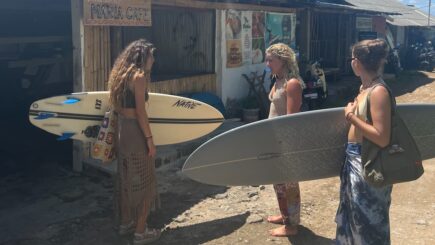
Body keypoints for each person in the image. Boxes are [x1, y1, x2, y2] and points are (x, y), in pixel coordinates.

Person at [335, 38, 393, 245]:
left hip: (368, 161)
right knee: (355, 219)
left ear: (357, 62)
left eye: (352, 58)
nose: (351, 62)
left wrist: (351, 117)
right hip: (355, 157)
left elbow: (382, 136)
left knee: (369, 223)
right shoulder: (366, 88)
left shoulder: (378, 92)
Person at [108, 39, 160, 245]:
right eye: (151, 56)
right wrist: (150, 140)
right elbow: (141, 112)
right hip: (135, 133)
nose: (153, 60)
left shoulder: (119, 75)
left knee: (126, 180)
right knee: (147, 183)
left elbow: (118, 108)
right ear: (143, 57)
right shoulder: (138, 78)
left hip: (122, 131)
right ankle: (140, 232)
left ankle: (126, 223)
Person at [265, 43, 305, 237]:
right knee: (277, 182)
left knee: (288, 184)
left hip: (286, 142)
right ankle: (284, 215)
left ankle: (291, 225)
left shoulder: (292, 84)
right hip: (274, 140)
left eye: (271, 60)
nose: (267, 64)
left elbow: (291, 120)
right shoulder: (277, 80)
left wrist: (285, 145)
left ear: (283, 61)